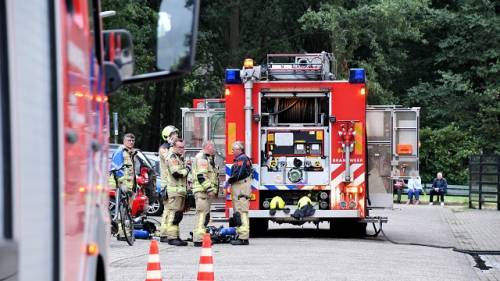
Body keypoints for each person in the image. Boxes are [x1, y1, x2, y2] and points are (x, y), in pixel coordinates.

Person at [159, 139, 190, 246]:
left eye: (183, 147)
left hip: (179, 191)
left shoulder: (178, 157)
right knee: (174, 215)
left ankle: (175, 236)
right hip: (174, 191)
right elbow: (176, 173)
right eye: (180, 147)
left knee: (178, 215)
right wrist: (187, 169)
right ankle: (172, 238)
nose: (182, 149)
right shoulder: (172, 157)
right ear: (174, 147)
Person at [108, 133, 137, 241]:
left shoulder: (131, 153)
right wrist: (121, 184)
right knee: (121, 209)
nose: (131, 142)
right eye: (129, 140)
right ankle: (121, 234)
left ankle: (126, 232)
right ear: (124, 141)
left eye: (133, 140)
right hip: (121, 186)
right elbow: (116, 168)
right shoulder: (120, 151)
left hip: (130, 186)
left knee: (126, 210)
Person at [191, 140, 218, 247]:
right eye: (212, 147)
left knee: (204, 215)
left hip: (203, 192)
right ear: (207, 147)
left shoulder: (206, 158)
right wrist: (210, 189)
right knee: (202, 215)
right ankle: (199, 239)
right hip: (202, 192)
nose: (214, 149)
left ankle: (200, 237)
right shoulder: (202, 158)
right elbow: (201, 176)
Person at [227, 141, 253, 246]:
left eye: (234, 149)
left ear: (239, 149)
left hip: (241, 188)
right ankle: (241, 235)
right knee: (239, 212)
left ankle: (243, 237)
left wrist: (229, 181)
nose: (232, 151)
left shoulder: (242, 159)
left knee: (242, 212)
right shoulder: (241, 159)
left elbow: (239, 174)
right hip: (240, 188)